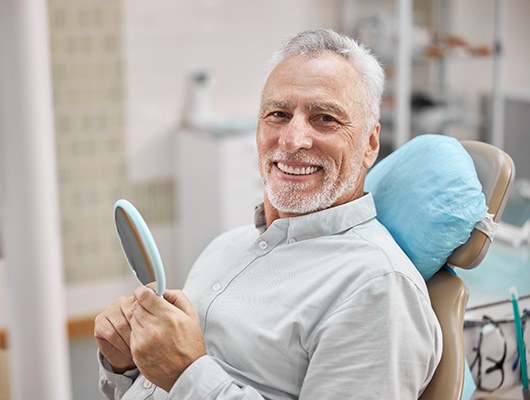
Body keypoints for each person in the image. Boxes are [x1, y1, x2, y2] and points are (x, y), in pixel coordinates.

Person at [95, 28, 442, 399]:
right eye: (278, 114)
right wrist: (126, 365)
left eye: (324, 118)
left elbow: (183, 378)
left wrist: (187, 374)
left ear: (370, 143)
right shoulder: (225, 247)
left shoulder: (377, 288)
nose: (292, 140)